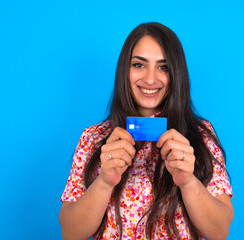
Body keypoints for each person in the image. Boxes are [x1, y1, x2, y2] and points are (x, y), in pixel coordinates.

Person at [59, 22, 233, 240]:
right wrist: (104, 182)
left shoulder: (200, 136)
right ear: (125, 69)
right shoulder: (93, 138)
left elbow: (220, 232)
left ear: (176, 74)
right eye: (139, 65)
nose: (150, 79)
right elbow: (70, 233)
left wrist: (188, 182)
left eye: (163, 67)